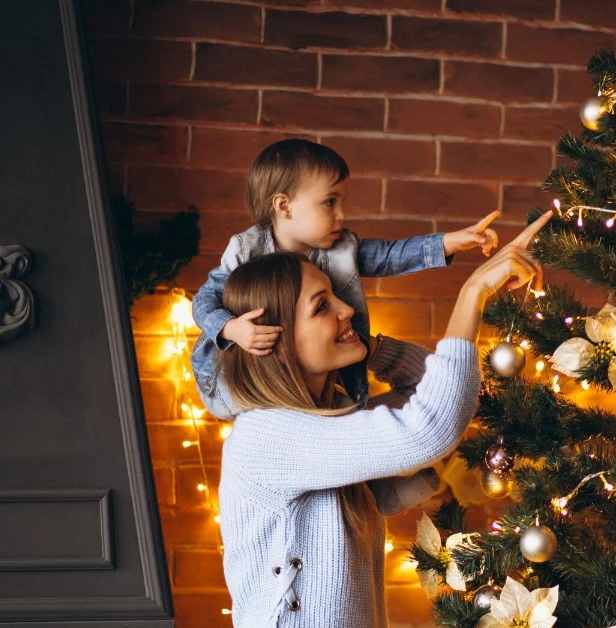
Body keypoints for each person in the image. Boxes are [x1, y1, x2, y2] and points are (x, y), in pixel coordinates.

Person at [200, 212, 552, 628]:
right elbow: (428, 428)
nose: (347, 307)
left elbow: (426, 389)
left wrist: (369, 345)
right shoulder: (268, 434)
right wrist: (472, 292)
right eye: (323, 307)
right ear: (271, 338)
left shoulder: (329, 419)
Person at [190, 138, 500, 420]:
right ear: (284, 206)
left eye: (342, 202)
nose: (341, 214)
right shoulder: (246, 249)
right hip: (242, 378)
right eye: (329, 202)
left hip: (316, 382)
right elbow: (205, 299)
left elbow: (391, 256)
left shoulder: (341, 247)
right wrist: (231, 328)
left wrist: (449, 242)